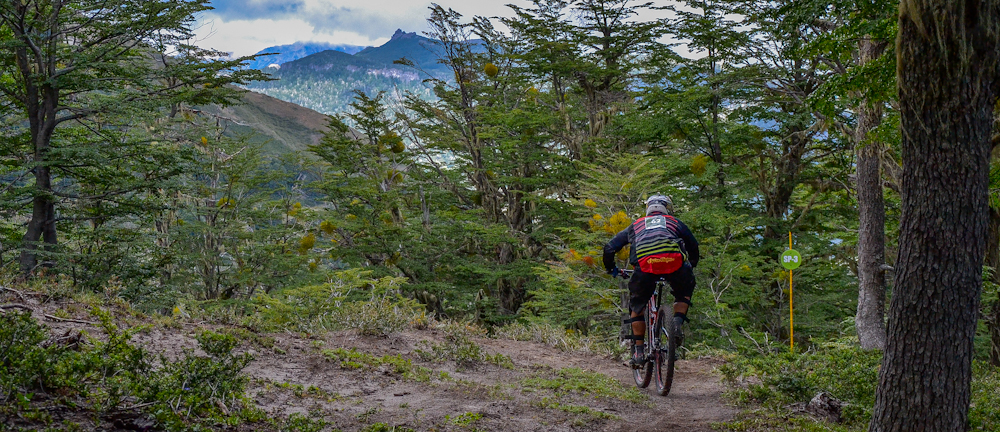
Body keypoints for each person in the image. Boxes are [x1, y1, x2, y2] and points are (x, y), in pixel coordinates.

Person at [603, 195, 699, 369]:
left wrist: (612, 269)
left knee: (637, 307)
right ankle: (677, 324)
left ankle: (639, 352)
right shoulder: (674, 223)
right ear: (667, 209)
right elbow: (693, 245)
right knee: (684, 291)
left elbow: (610, 247)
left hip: (645, 268)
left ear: (647, 209)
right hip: (674, 265)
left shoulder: (636, 225)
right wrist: (690, 265)